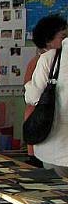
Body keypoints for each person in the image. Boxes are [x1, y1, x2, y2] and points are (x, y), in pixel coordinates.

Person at [24, 15, 68, 163]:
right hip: (45, 131)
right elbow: (33, 100)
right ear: (48, 40)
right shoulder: (41, 61)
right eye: (63, 36)